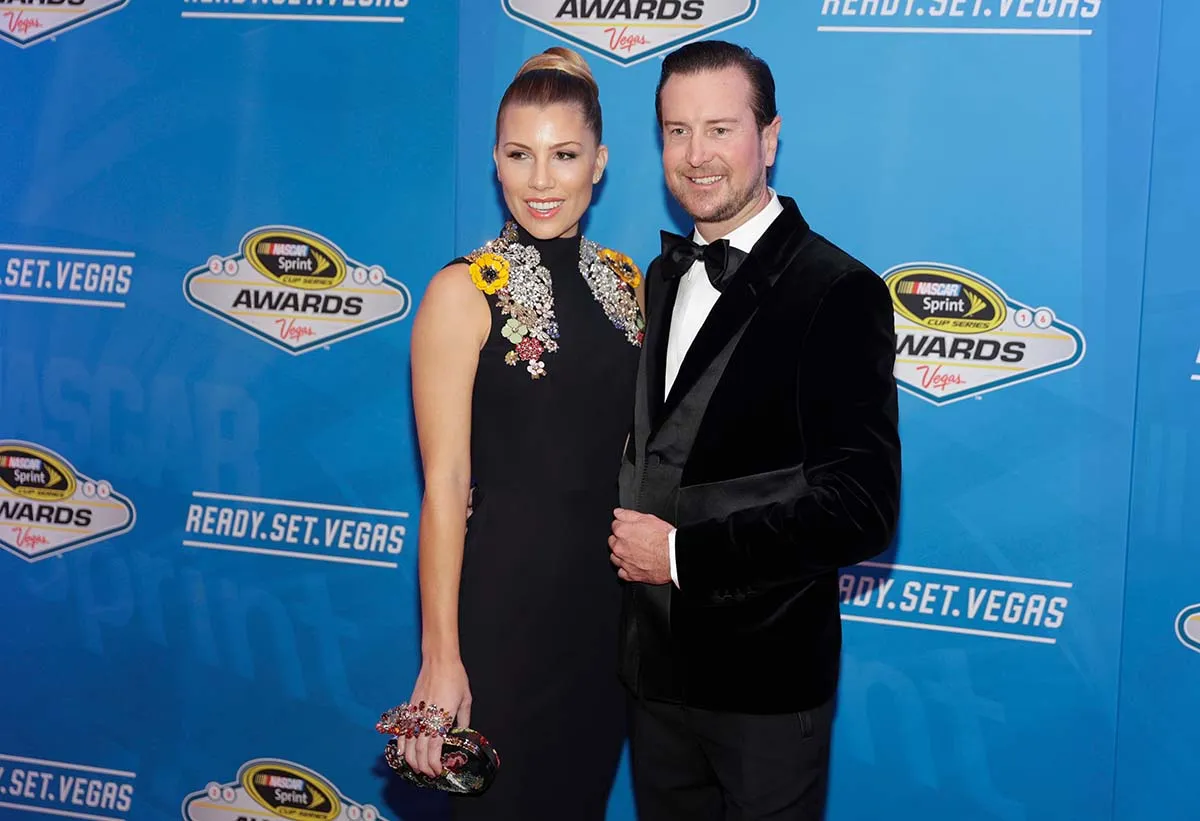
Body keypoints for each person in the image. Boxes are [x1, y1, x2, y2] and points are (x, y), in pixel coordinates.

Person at [608, 40, 902, 820]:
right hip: (654, 680)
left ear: (769, 138)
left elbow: (861, 508)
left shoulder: (838, 290)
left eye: (720, 129)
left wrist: (681, 555)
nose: (696, 155)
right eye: (677, 131)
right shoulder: (661, 276)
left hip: (764, 689)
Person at [397, 47, 645, 820]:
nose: (541, 180)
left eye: (564, 155)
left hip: (606, 624)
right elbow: (445, 485)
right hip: (503, 621)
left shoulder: (627, 285)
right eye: (519, 154)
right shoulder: (462, 290)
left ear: (598, 163)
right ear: (495, 161)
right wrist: (441, 660)